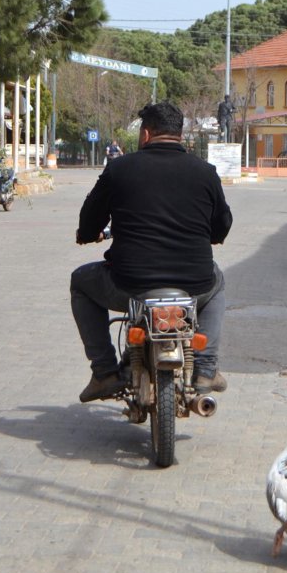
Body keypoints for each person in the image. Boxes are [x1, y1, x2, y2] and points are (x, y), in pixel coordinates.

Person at [71, 100, 233, 403]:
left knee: (80, 281)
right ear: (180, 135)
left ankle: (105, 372)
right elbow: (222, 225)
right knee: (218, 282)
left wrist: (88, 235)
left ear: (145, 134)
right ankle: (206, 370)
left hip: (129, 285)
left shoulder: (119, 168)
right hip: (194, 285)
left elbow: (90, 218)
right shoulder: (205, 172)